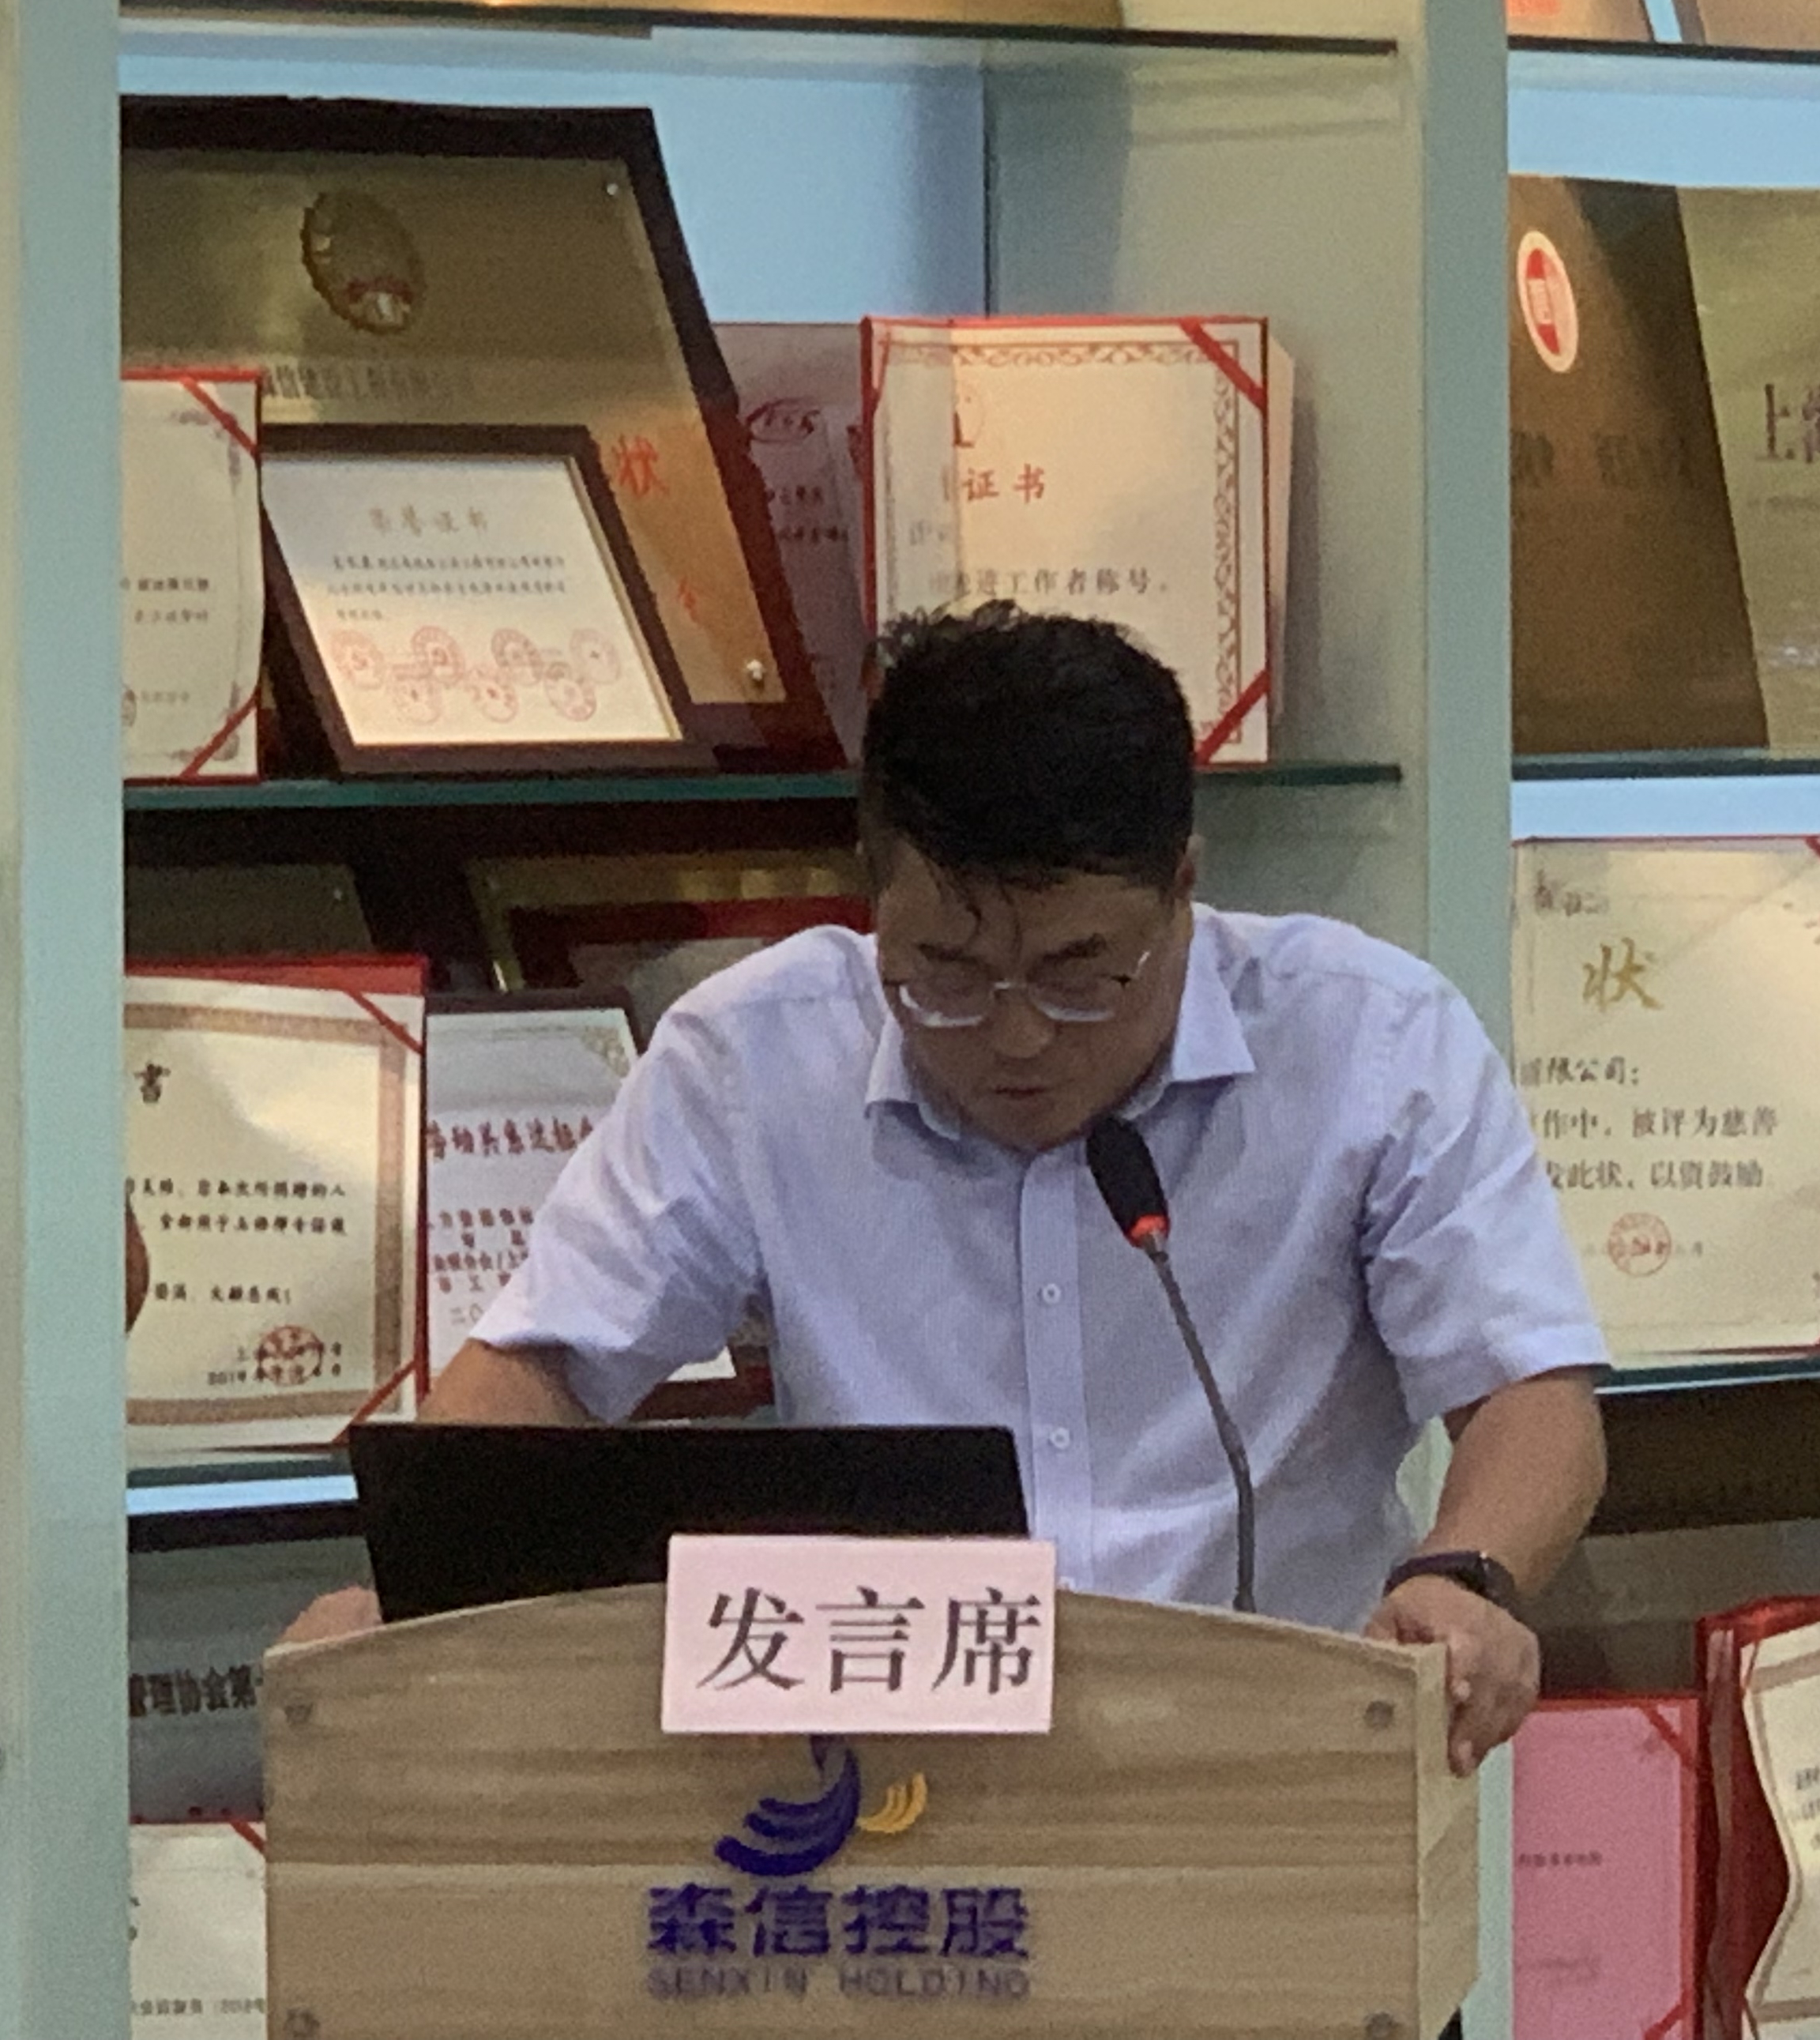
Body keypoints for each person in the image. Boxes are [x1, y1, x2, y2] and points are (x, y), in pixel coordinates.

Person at [290, 606, 1609, 1774]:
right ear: (873, 898)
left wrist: (1465, 1576)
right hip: (886, 1792)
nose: (1017, 1035)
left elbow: (1531, 1396)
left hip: (1275, 1770)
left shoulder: (1371, 1042)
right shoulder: (754, 1057)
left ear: (1184, 890)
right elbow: (545, 1369)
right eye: (946, 974)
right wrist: (411, 1599)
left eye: (1083, 973)